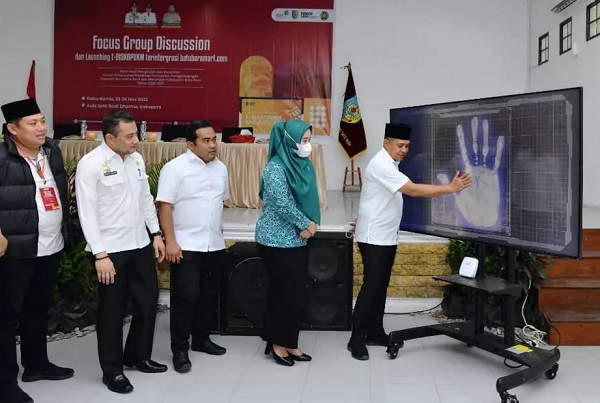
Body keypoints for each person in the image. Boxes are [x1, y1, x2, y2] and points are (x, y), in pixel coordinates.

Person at [348, 123, 473, 361]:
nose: (404, 150)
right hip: (374, 238)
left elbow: (373, 198)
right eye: (400, 145)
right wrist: (450, 188)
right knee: (371, 287)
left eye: (407, 146)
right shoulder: (382, 164)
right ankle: (356, 338)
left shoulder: (390, 164)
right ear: (386, 143)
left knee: (380, 286)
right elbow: (413, 190)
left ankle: (375, 332)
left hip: (385, 235)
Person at [75, 110, 167, 394]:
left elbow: (144, 200)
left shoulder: (136, 159)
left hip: (139, 243)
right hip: (110, 250)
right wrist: (100, 255)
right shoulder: (91, 165)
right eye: (129, 136)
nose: (136, 141)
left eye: (136, 134)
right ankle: (112, 371)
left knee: (148, 301)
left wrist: (155, 234)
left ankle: (137, 356)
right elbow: (86, 213)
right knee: (112, 311)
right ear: (110, 138)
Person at [0, 99, 74, 403]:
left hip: (50, 244)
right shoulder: (2, 157)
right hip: (15, 248)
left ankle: (36, 365)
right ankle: (4, 383)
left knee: (37, 309)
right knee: (5, 317)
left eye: (42, 121)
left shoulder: (51, 151)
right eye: (33, 123)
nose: (42, 127)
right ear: (13, 129)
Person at [156, 120, 229, 374]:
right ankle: (179, 349)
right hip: (185, 245)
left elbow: (222, 202)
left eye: (214, 139)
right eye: (206, 141)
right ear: (191, 144)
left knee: (209, 294)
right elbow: (164, 205)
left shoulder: (221, 168)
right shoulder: (174, 169)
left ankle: (201, 339)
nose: (212, 145)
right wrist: (171, 241)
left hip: (215, 243)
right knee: (186, 297)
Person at [255, 119, 320, 366]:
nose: (307, 146)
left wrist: (309, 224)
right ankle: (277, 343)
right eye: (303, 141)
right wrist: (306, 224)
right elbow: (282, 204)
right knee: (282, 293)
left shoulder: (301, 164)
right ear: (289, 140)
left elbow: (309, 197)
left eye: (308, 141)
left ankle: (290, 342)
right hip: (275, 240)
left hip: (296, 239)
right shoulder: (275, 168)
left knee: (294, 294)